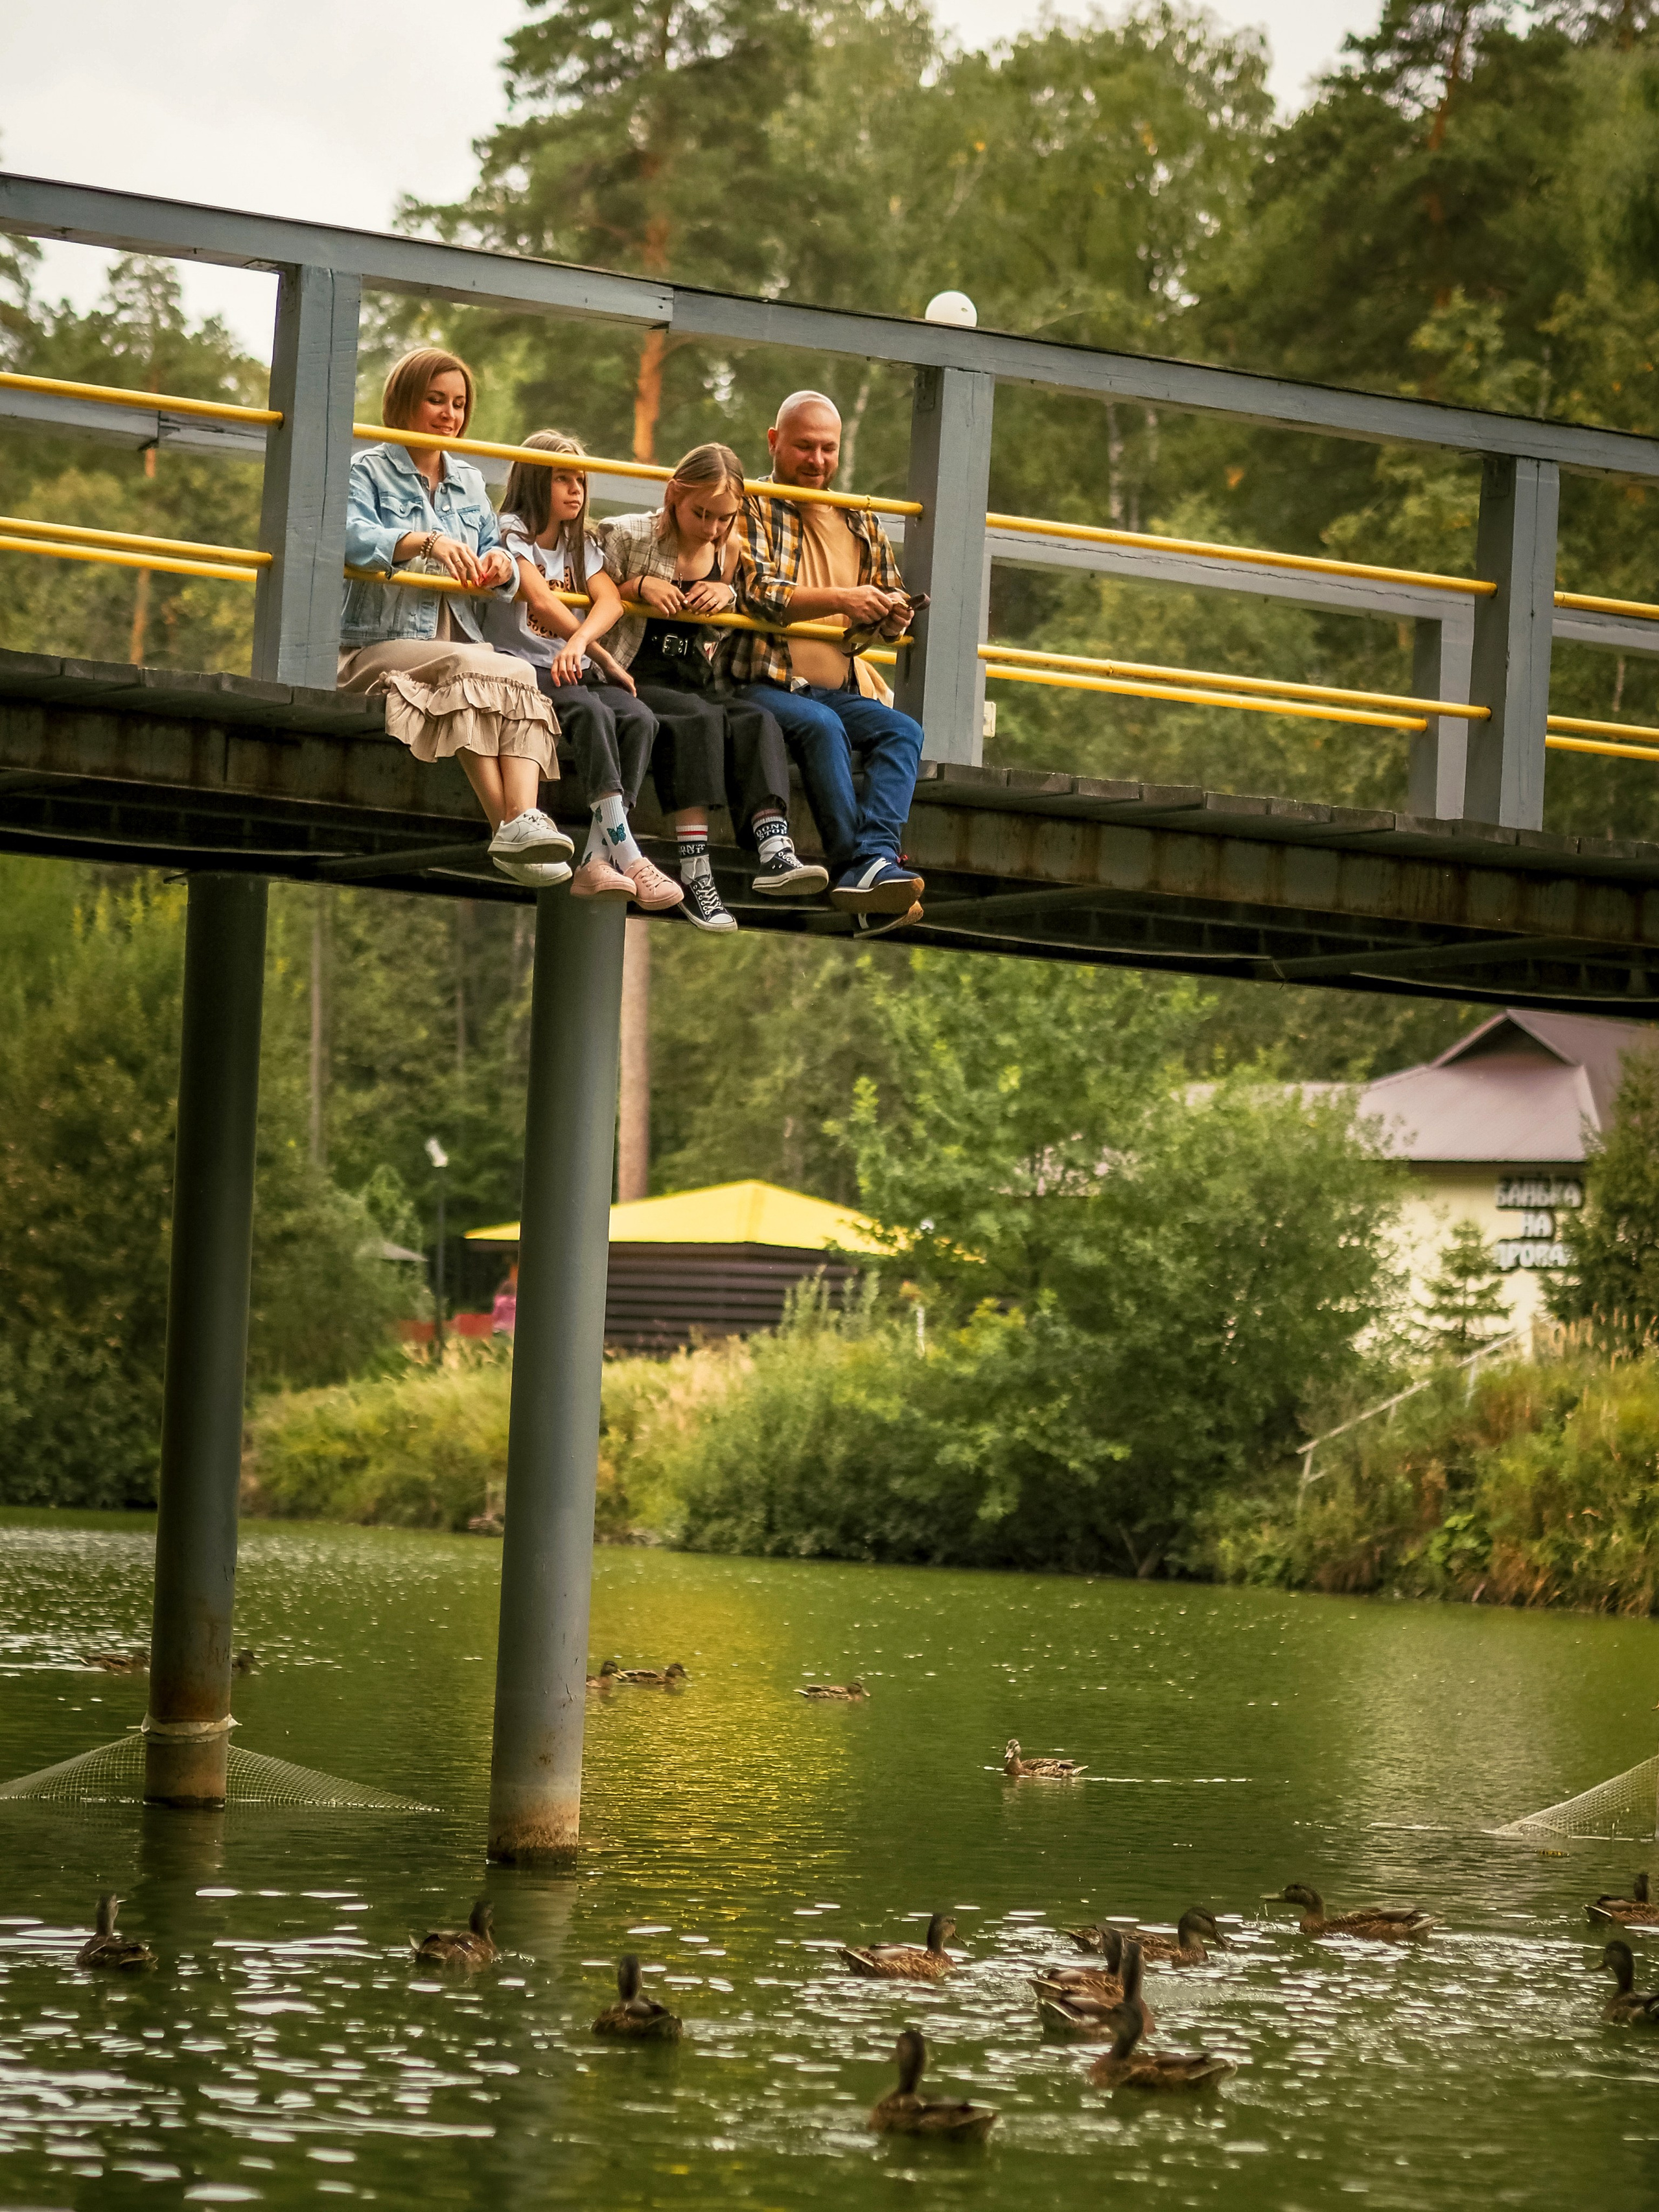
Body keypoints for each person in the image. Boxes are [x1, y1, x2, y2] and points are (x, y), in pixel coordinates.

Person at [338, 347, 572, 889]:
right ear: (403, 403)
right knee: (479, 667)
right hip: (378, 645)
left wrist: (499, 564)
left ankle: (521, 826)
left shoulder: (468, 481)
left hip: (458, 644)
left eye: (460, 404)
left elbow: (502, 558)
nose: (450, 415)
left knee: (511, 673)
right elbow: (351, 538)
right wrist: (427, 541)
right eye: (436, 400)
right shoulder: (366, 470)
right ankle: (510, 827)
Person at [600, 443, 828, 935]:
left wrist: (728, 592)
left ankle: (774, 846)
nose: (711, 528)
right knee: (696, 720)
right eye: (702, 514)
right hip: (634, 673)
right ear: (674, 495)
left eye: (724, 518)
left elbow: (739, 604)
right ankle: (696, 870)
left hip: (694, 677)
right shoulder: (628, 534)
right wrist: (635, 588)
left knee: (756, 719)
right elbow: (590, 594)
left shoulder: (729, 551)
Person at [725, 390, 925, 938]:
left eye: (828, 450)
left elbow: (882, 596)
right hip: (758, 682)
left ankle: (877, 856)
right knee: (823, 724)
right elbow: (758, 592)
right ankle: (854, 870)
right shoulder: (749, 504)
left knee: (902, 731)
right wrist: (844, 598)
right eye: (804, 447)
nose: (816, 461)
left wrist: (891, 616)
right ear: (774, 441)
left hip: (839, 687)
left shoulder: (859, 518)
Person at [481, 430, 681, 911]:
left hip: (573, 665)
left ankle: (596, 857)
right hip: (527, 669)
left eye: (581, 480)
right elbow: (541, 598)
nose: (576, 490)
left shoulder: (579, 542)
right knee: (591, 714)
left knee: (639, 717)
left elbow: (610, 598)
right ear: (533, 481)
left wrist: (585, 645)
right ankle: (629, 856)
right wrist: (593, 650)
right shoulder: (511, 533)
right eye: (562, 480)